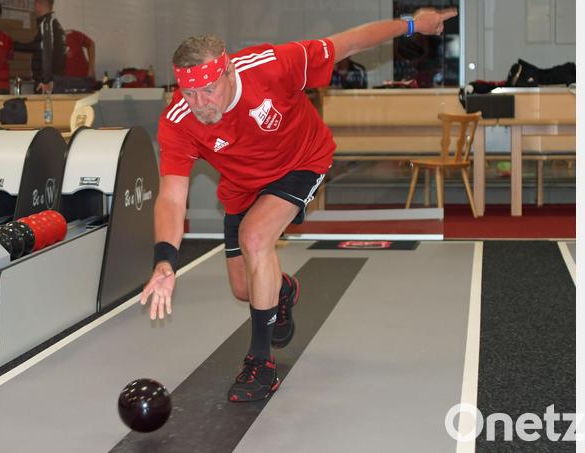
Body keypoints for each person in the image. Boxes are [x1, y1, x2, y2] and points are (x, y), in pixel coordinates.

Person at [140, 8, 457, 403]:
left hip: (301, 161)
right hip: (242, 186)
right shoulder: (179, 119)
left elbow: (353, 41)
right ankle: (284, 291)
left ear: (228, 73)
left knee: (256, 237)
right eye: (189, 93)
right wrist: (165, 260)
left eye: (208, 92)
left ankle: (260, 363)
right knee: (244, 288)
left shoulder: (274, 65)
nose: (200, 104)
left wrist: (413, 24)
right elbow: (171, 196)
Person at [14, 0, 66, 94]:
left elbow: (47, 52)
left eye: (35, 4)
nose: (34, 9)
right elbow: (37, 47)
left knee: (45, 109)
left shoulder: (46, 24)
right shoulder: (55, 24)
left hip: (46, 85)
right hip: (54, 82)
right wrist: (14, 45)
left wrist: (45, 81)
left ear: (39, 4)